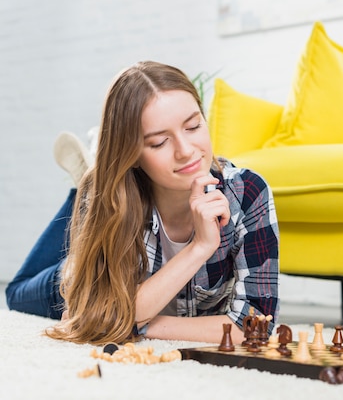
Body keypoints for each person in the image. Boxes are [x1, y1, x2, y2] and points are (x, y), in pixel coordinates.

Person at [6, 61, 280, 345]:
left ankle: (91, 174)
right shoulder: (112, 198)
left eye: (193, 126)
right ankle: (85, 185)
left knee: (97, 190)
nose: (186, 151)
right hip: (89, 246)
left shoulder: (246, 193)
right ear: (132, 153)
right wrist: (200, 247)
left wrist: (137, 325)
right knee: (15, 295)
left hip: (116, 208)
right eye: (160, 142)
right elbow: (93, 315)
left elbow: (255, 325)